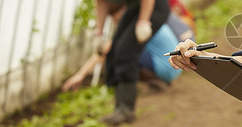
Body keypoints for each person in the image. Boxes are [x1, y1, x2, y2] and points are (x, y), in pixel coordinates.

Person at [75, 0, 170, 126]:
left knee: (127, 52)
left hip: (154, 5)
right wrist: (100, 32)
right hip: (134, 7)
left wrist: (143, 22)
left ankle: (126, 111)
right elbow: (101, 3)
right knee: (114, 51)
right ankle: (119, 107)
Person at [62, 11, 193, 92]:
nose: (114, 20)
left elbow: (106, 50)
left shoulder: (135, 25)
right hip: (175, 67)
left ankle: (138, 85)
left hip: (168, 67)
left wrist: (80, 74)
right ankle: (155, 81)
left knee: (121, 52)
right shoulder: (145, 20)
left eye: (114, 16)